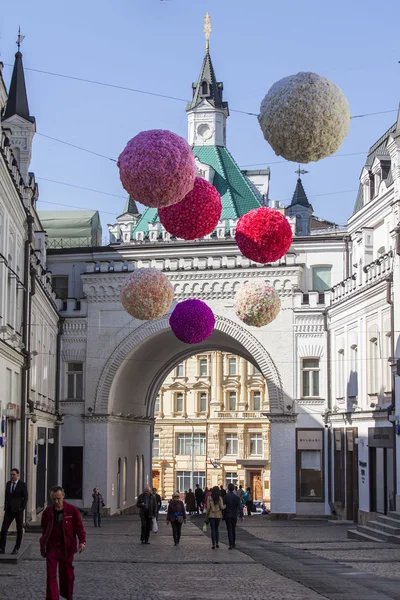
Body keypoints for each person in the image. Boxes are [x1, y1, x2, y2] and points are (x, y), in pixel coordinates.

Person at [40, 486, 86, 600]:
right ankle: (53, 598)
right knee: (51, 575)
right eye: (54, 499)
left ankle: (68, 596)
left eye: (58, 499)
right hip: (52, 547)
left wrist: (82, 542)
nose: (56, 502)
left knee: (67, 575)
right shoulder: (47, 512)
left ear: (63, 496)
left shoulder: (72, 510)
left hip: (67, 548)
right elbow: (44, 527)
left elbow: (79, 528)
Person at [0, 468, 28, 555]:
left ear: (18, 475)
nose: (12, 476)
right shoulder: (8, 484)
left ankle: (16, 548)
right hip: (9, 510)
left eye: (13, 474)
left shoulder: (22, 484)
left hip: (18, 510)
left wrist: (21, 508)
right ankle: (2, 548)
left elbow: (25, 497)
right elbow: (6, 496)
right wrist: (5, 506)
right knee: (4, 529)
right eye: (11, 475)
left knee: (19, 530)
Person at [224, 483, 244, 549]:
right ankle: (234, 543)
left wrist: (223, 515)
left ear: (228, 489)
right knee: (233, 529)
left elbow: (223, 507)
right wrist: (241, 515)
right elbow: (240, 507)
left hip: (227, 515)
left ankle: (230, 544)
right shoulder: (237, 497)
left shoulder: (225, 497)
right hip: (234, 515)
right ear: (233, 489)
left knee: (229, 529)